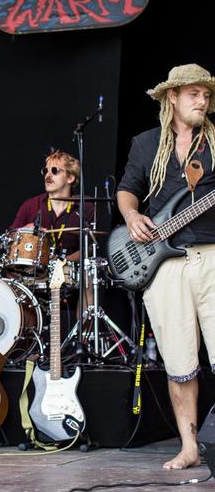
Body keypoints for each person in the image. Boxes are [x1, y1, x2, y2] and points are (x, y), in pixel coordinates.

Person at [117, 63, 215, 470]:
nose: (203, 100)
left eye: (206, 94)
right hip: (163, 266)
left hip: (211, 256)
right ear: (172, 97)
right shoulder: (145, 144)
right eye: (194, 93)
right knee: (179, 362)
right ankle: (190, 447)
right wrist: (132, 217)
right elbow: (127, 191)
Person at [9, 150, 95, 262]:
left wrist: (62, 263)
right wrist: (24, 230)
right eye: (45, 171)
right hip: (33, 273)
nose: (48, 175)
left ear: (70, 178)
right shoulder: (30, 205)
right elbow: (9, 238)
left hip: (67, 274)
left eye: (54, 171)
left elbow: (88, 249)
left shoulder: (86, 208)